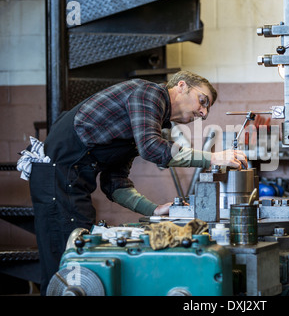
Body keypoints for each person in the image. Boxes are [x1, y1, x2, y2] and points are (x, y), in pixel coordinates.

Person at [21, 71, 247, 295]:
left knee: (81, 261)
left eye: (206, 110)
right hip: (56, 177)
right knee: (67, 269)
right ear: (181, 86)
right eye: (203, 101)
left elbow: (114, 183)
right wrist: (213, 157)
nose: (203, 112)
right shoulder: (149, 94)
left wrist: (154, 210)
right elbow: (152, 149)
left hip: (72, 181)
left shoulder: (148, 123)